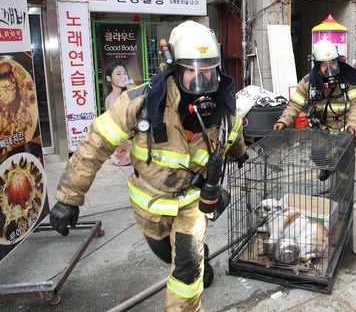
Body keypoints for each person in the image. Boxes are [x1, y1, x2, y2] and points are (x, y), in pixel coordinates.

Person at [49, 21, 248, 311]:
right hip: (150, 201)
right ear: (175, 68)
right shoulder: (143, 101)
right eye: (192, 69)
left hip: (193, 202)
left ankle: (193, 268)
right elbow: (96, 143)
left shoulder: (225, 109)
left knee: (185, 269)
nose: (201, 78)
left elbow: (235, 133)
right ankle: (195, 255)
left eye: (207, 69)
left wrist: (240, 153)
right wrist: (69, 197)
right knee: (165, 252)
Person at [273, 39, 356, 138]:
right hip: (319, 133)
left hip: (345, 132)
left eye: (332, 63)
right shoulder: (308, 83)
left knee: (346, 154)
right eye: (324, 65)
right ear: (318, 66)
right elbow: (295, 105)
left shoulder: (348, 79)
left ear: (337, 62)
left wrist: (354, 124)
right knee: (318, 153)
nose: (329, 68)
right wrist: (284, 121)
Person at [104, 61, 133, 166]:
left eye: (125, 73)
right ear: (109, 78)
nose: (124, 77)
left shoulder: (125, 95)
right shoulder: (112, 99)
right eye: (118, 74)